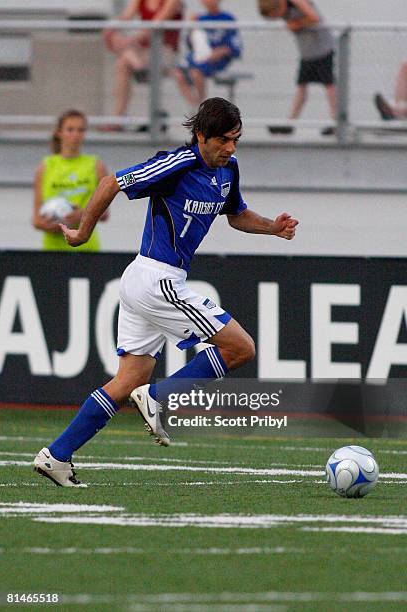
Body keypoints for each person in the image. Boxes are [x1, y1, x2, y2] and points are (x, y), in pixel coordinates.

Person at [33, 97, 299, 487]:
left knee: (127, 382)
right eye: (224, 140)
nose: (231, 148)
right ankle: (160, 398)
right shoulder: (177, 163)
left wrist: (272, 228)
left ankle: (56, 454)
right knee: (241, 348)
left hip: (152, 283)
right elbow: (112, 183)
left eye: (236, 140)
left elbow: (236, 214)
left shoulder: (229, 170)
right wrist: (83, 234)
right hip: (155, 279)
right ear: (201, 135)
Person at [32, 109, 109, 252]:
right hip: (53, 251)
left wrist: (82, 216)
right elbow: (36, 220)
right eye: (70, 129)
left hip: (87, 250)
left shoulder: (95, 165)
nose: (75, 135)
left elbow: (104, 214)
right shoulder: (45, 167)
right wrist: (59, 225)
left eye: (80, 130)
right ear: (59, 133)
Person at [259, 0, 336, 136]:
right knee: (301, 86)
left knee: (329, 86)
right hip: (307, 52)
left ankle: (336, 123)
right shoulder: (283, 12)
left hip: (322, 49)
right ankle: (291, 123)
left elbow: (314, 18)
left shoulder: (296, 3)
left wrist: (298, 25)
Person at [103, 0, 183, 131]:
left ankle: (140, 68)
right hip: (144, 52)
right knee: (121, 63)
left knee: (124, 58)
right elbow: (126, 16)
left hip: (164, 51)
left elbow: (155, 25)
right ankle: (118, 118)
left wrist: (128, 40)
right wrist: (111, 29)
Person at [173, 0, 242, 107]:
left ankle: (201, 104)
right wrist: (191, 27)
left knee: (196, 73)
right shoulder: (200, 19)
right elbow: (191, 44)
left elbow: (235, 46)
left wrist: (221, 51)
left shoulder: (227, 19)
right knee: (178, 73)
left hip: (217, 60)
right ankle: (194, 105)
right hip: (199, 57)